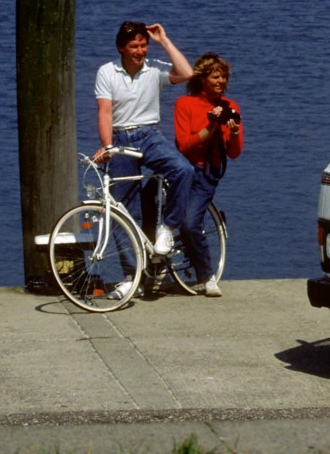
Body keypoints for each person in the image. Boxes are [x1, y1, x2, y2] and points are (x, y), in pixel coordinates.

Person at [94, 21, 198, 295]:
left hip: (149, 136)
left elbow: (186, 73)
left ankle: (167, 228)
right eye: (133, 46)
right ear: (121, 48)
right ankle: (132, 278)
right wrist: (107, 146)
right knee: (120, 209)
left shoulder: (154, 69)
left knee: (183, 170)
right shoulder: (107, 71)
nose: (139, 51)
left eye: (143, 45)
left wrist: (163, 40)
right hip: (120, 138)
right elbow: (105, 112)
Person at [173, 53, 243, 297]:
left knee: (190, 223)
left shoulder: (230, 107)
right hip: (183, 170)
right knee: (163, 216)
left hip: (207, 173)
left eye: (223, 76)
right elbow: (184, 146)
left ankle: (206, 275)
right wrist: (210, 127)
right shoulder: (185, 104)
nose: (221, 80)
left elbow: (234, 153)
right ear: (202, 78)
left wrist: (232, 133)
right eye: (215, 76)